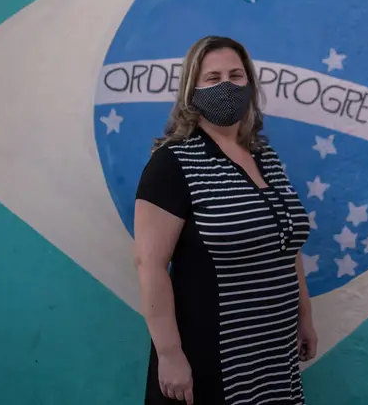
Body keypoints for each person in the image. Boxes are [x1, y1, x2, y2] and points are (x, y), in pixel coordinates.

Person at [133, 35, 318, 405]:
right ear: (191, 90)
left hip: (273, 353)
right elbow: (149, 264)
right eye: (212, 77)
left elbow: (286, 244)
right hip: (214, 352)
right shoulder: (172, 163)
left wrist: (304, 314)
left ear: (249, 83)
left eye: (235, 76)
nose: (226, 86)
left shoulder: (264, 157)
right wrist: (169, 355)